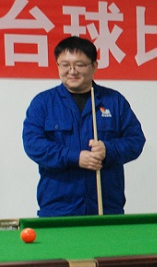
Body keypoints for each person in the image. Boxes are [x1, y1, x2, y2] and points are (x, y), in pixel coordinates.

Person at [23, 36, 146, 217]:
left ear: (94, 66)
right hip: (58, 208)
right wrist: (75, 157)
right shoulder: (43, 103)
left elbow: (135, 141)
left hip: (106, 207)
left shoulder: (114, 101)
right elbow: (33, 145)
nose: (72, 71)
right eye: (65, 65)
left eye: (79, 65)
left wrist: (108, 150)